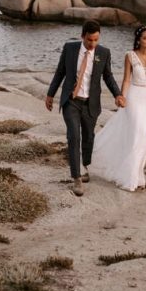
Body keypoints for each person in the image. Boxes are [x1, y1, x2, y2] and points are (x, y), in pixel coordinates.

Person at [90, 25, 146, 191]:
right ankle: (129, 179)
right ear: (138, 40)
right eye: (145, 38)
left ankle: (138, 176)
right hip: (134, 97)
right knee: (138, 133)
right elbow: (127, 80)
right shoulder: (129, 56)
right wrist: (121, 97)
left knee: (145, 138)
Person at [45, 20, 126, 197]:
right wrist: (50, 94)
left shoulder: (104, 53)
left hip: (91, 103)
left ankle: (85, 165)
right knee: (74, 136)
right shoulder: (70, 48)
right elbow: (60, 73)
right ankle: (76, 178)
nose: (92, 44)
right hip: (71, 101)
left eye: (96, 40)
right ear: (83, 36)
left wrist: (117, 94)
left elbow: (108, 76)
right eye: (90, 40)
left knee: (89, 137)